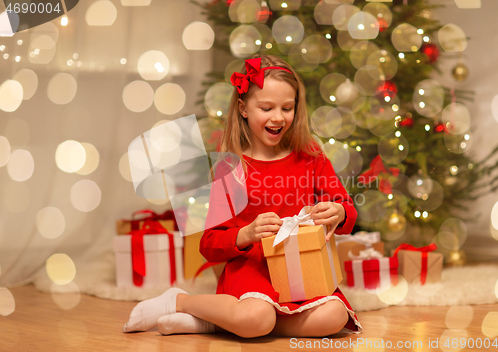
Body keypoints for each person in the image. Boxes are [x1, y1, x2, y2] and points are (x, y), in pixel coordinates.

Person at [123, 55, 362, 337]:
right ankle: (181, 302)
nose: (278, 117)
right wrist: (246, 233)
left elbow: (346, 206)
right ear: (243, 108)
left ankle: (221, 320)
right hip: (251, 272)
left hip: (301, 270)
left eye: (288, 108)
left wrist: (340, 212)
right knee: (257, 315)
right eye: (266, 107)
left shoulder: (310, 154)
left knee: (334, 316)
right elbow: (209, 244)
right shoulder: (229, 166)